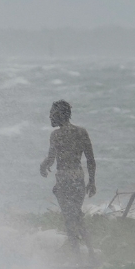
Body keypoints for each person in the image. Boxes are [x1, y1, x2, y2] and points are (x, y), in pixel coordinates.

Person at [39, 99, 96, 254]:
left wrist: (42, 166)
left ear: (59, 114)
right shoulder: (81, 132)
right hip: (78, 179)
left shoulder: (56, 135)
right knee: (77, 216)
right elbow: (90, 159)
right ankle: (90, 252)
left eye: (52, 114)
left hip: (64, 180)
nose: (50, 117)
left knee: (69, 219)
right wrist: (92, 181)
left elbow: (51, 158)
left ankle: (77, 255)